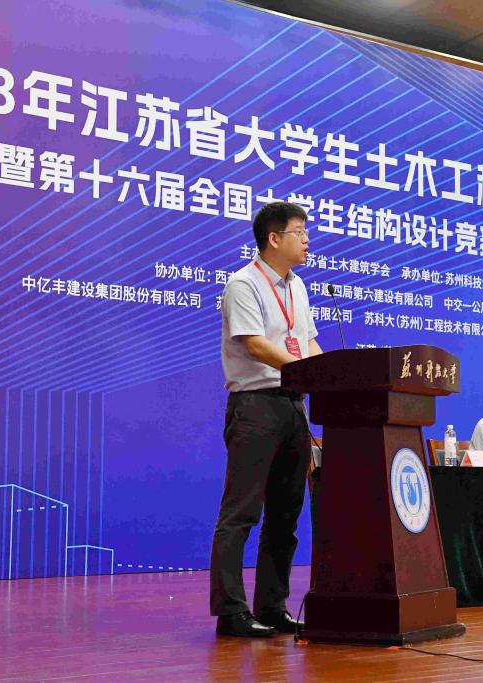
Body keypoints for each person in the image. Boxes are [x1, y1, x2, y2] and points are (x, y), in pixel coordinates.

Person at [210, 202, 321, 638]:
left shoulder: (298, 287)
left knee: (286, 515)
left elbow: (308, 342)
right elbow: (255, 344)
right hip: (255, 406)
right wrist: (304, 370)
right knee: (240, 513)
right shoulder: (243, 284)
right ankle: (231, 611)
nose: (307, 240)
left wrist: (331, 377)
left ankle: (272, 606)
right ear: (274, 238)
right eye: (299, 232)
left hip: (293, 406)